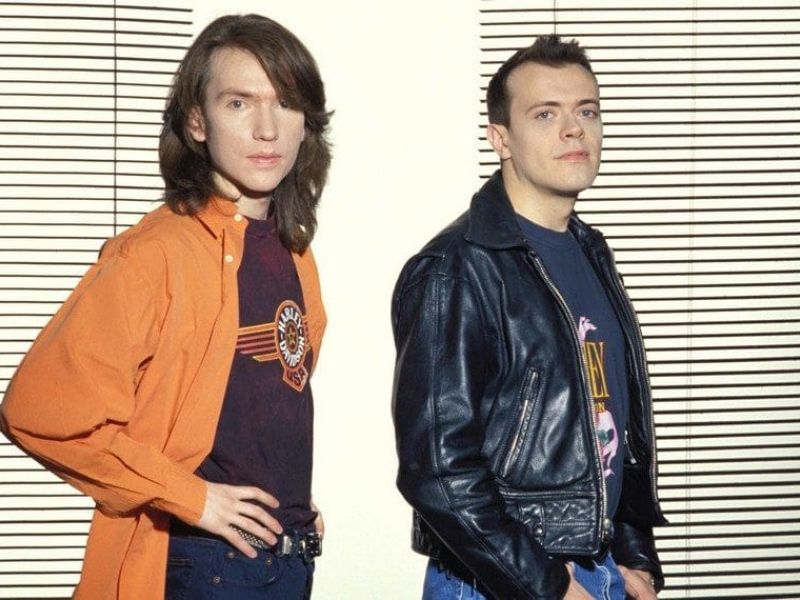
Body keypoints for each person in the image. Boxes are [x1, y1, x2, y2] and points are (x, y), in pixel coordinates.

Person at [1, 13, 331, 600]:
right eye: (238, 103)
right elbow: (38, 412)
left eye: (285, 103)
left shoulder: (295, 253)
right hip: (201, 564)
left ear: (306, 123)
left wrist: (292, 504)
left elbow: (254, 407)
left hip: (287, 561)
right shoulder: (153, 254)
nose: (266, 129)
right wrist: (194, 498)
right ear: (198, 122)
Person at [391, 35, 667, 600]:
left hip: (594, 572)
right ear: (501, 138)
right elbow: (437, 468)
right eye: (545, 114)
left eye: (586, 111)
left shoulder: (591, 252)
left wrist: (632, 555)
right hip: (501, 584)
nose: (573, 130)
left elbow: (614, 420)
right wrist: (545, 585)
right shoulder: (457, 269)